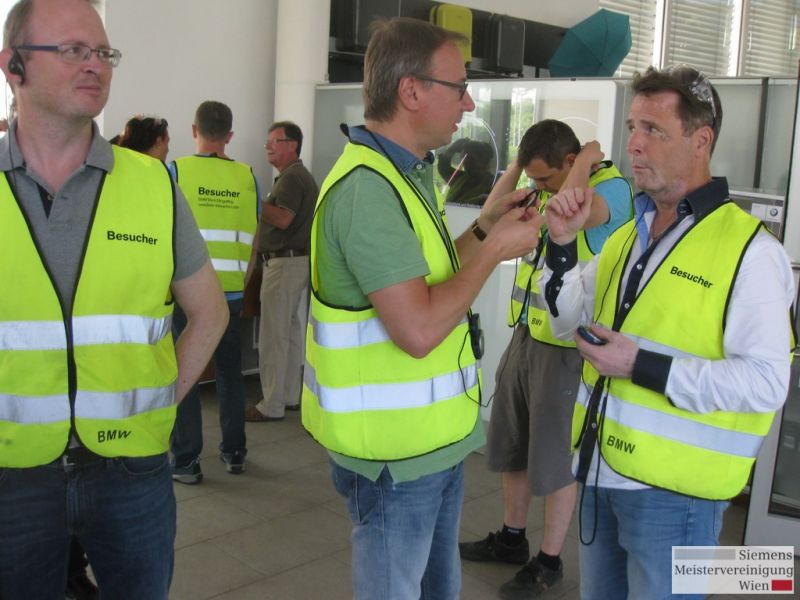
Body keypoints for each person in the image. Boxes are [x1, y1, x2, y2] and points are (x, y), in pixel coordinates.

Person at [301, 17, 543, 600]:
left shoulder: (404, 174)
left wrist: (485, 227)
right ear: (411, 91)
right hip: (393, 457)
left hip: (431, 445)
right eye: (458, 87)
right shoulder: (368, 191)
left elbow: (431, 276)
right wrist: (496, 253)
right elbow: (418, 327)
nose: (468, 103)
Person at [0, 1, 228, 599]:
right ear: (13, 66)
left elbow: (210, 311)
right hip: (11, 474)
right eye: (73, 50)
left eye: (103, 52)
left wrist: (162, 400)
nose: (95, 64)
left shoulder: (152, 184)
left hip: (131, 472)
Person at [540, 66, 794, 599]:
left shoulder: (752, 252)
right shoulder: (626, 237)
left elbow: (767, 383)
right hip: (599, 474)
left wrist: (641, 366)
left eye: (653, 130)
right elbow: (566, 325)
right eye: (633, 128)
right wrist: (561, 245)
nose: (634, 144)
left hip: (677, 497)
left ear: (701, 141)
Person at [459, 120, 632, 599]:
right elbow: (492, 214)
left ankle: (549, 561)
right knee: (512, 445)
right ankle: (512, 538)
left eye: (544, 177)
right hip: (526, 336)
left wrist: (588, 158)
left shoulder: (611, 191)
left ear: (573, 162)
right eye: (531, 177)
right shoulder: (549, 182)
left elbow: (568, 208)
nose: (538, 188)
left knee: (557, 458)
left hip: (568, 348)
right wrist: (517, 163)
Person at [169, 100, 258, 481]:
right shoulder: (247, 176)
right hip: (232, 293)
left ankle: (187, 461)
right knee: (229, 373)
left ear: (194, 130)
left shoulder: (176, 171)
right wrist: (241, 282)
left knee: (185, 372)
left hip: (187, 296)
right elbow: (254, 237)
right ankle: (235, 452)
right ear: (230, 136)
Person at [245, 121, 317, 422]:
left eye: (275, 141)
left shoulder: (291, 178)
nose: (268, 147)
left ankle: (271, 405)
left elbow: (283, 219)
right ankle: (288, 396)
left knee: (274, 335)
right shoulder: (296, 176)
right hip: (295, 262)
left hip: (284, 263)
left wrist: (252, 201)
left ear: (292, 145)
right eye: (268, 141)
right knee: (289, 331)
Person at [437, 136, 495, 205]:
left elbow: (443, 168)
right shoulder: (462, 178)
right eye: (463, 159)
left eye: (471, 159)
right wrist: (453, 148)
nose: (465, 163)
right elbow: (443, 167)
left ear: (484, 161)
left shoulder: (492, 184)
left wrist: (453, 148)